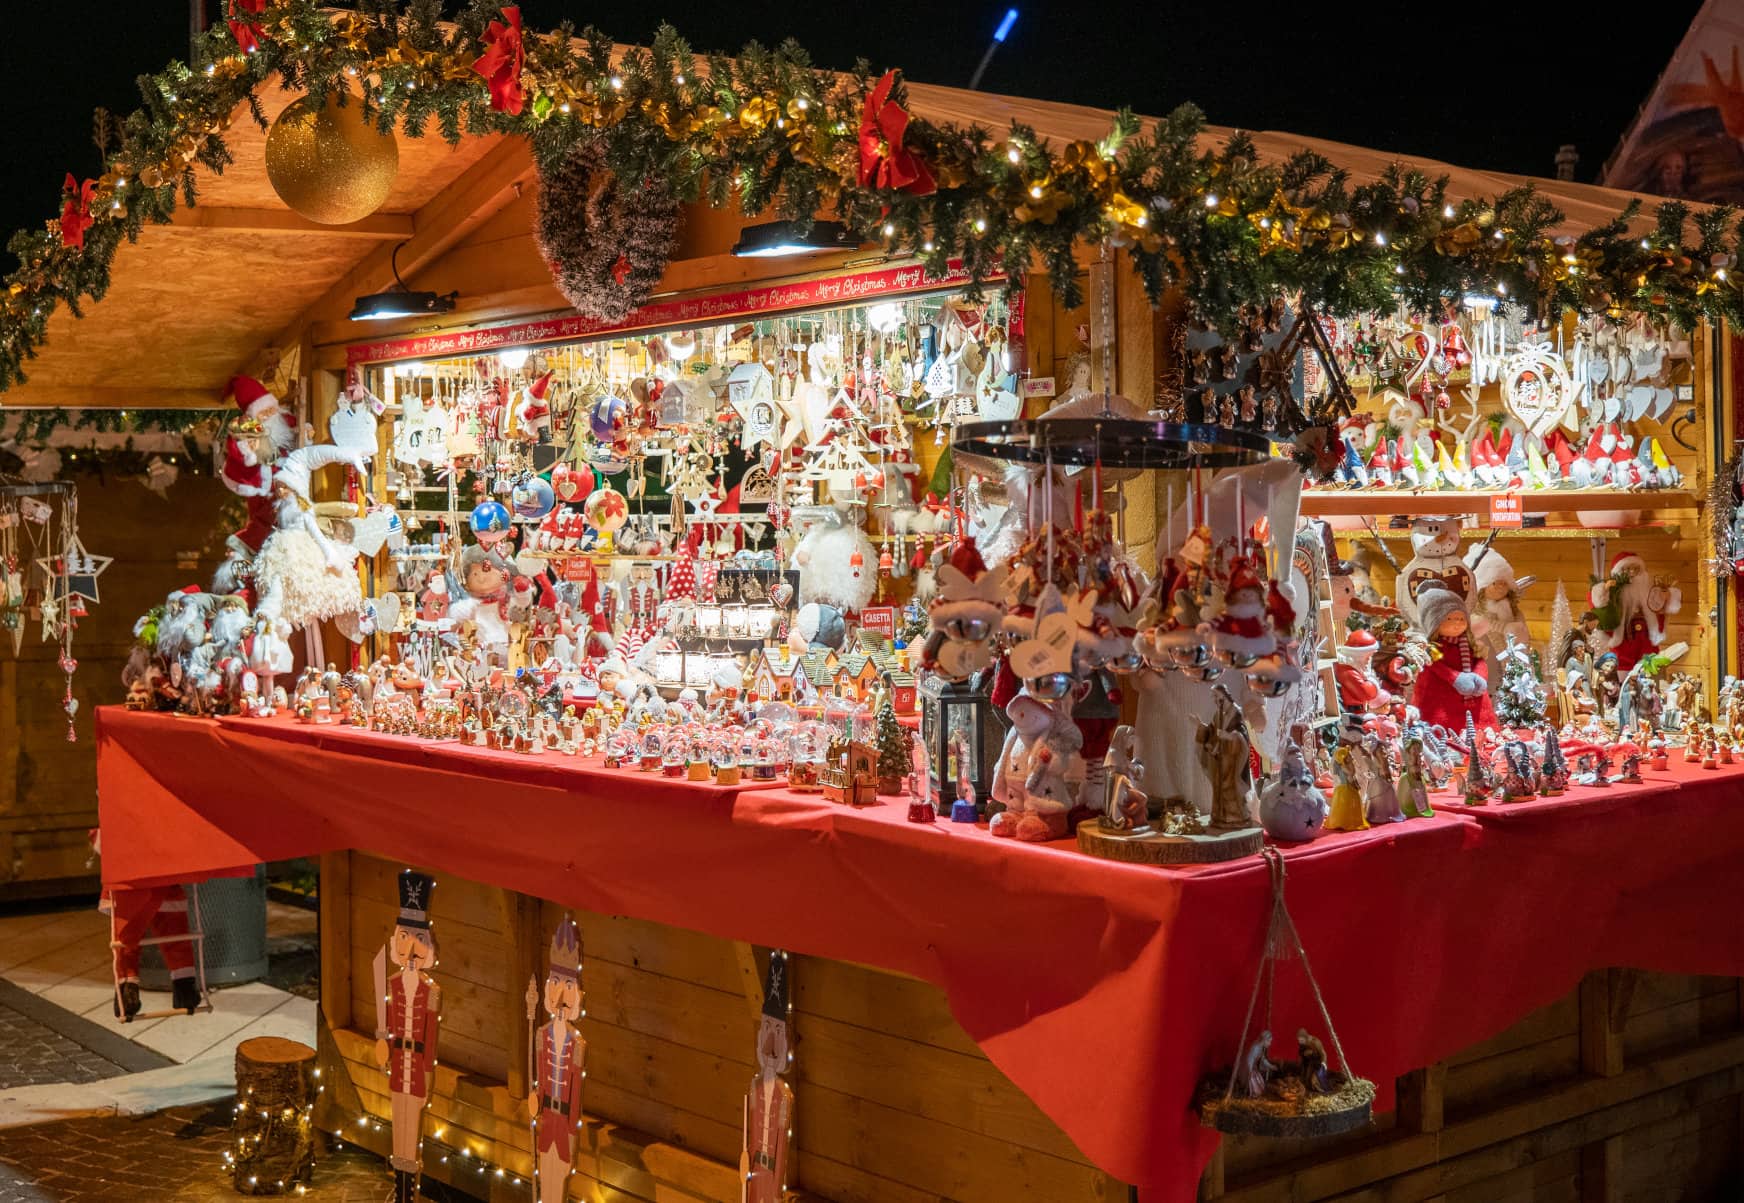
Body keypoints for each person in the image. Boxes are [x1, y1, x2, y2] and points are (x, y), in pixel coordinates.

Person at [374, 870, 441, 1203]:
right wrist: (382, 1043)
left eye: (417, 939)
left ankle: (409, 1192)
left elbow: (431, 1036)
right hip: (397, 1062)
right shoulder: (393, 984)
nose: (410, 948)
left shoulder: (431, 992)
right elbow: (387, 1022)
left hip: (416, 1067)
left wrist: (427, 1073)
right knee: (397, 1127)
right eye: (404, 937)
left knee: (412, 1130)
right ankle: (399, 1188)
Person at [93, 831, 200, 1019]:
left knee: (126, 941)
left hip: (129, 888)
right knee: (176, 940)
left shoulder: (117, 822)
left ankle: (127, 994)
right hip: (165, 881)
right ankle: (185, 990)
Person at [530, 917, 586, 1203]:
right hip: (547, 1120)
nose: (560, 992)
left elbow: (575, 1092)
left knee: (560, 1180)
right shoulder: (542, 1034)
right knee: (545, 1177)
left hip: (564, 1124)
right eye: (555, 982)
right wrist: (535, 1101)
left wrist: (573, 1131)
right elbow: (540, 1076)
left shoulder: (577, 1044)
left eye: (567, 984)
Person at [741, 951, 794, 1203]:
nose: (770, 1044)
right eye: (767, 1028)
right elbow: (750, 1131)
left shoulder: (782, 1095)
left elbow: (781, 1143)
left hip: (773, 1171)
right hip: (755, 1166)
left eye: (777, 1031)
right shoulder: (756, 1086)